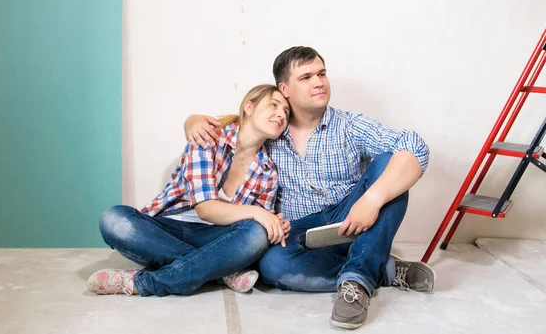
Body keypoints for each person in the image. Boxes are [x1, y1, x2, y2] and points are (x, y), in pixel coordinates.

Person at [185, 46, 435, 329]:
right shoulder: (272, 128)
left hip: (355, 218)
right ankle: (383, 269)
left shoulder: (349, 126)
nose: (319, 82)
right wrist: (191, 121)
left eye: (322, 74)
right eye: (306, 77)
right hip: (302, 232)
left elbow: (415, 147)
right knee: (272, 266)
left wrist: (372, 200)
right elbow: (238, 127)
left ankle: (356, 284)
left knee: (391, 162)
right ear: (285, 89)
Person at [87, 84, 291, 297]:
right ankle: (219, 270)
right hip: (168, 229)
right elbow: (205, 209)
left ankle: (146, 282)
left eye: (286, 112)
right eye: (274, 105)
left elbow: (255, 225)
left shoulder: (268, 171)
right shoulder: (208, 137)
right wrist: (259, 213)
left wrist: (273, 223)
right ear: (249, 107)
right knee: (113, 220)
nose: (280, 115)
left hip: (218, 237)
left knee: (257, 234)